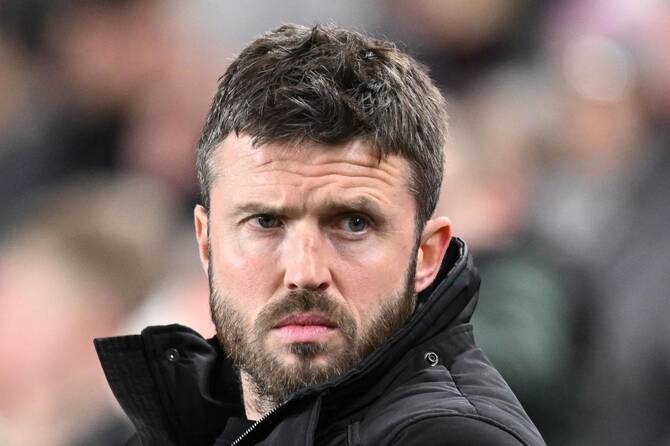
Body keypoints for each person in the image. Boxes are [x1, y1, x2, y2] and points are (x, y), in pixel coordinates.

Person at [95, 24, 545, 445]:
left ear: (426, 255)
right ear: (206, 242)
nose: (305, 272)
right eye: (265, 222)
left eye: (353, 224)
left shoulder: (451, 438)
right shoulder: (190, 423)